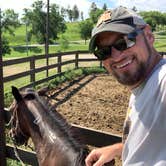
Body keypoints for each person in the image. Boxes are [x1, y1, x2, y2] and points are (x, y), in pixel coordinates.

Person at [85, 6, 166, 166]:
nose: (115, 56)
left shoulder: (162, 81)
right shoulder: (142, 86)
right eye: (104, 52)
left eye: (125, 42)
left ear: (148, 35)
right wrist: (120, 149)